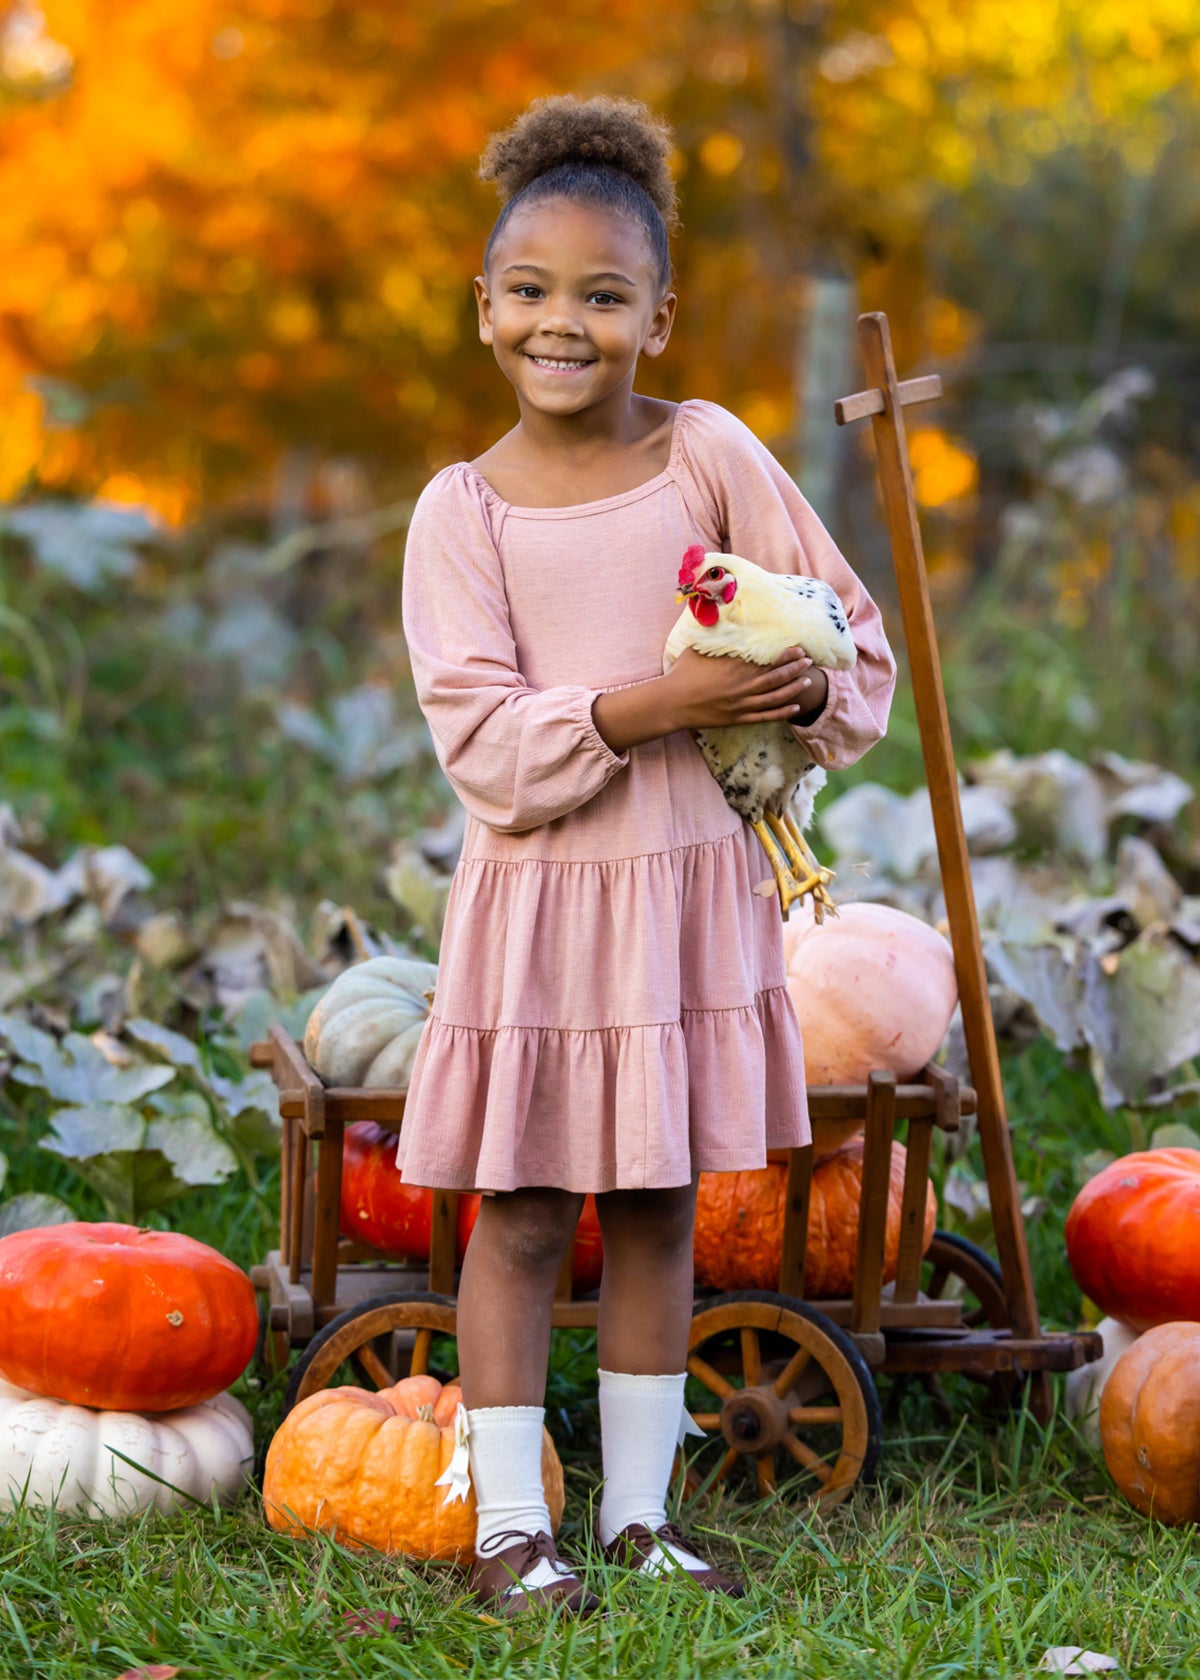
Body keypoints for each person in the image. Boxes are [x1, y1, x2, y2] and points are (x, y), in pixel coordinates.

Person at [399, 93, 895, 1617]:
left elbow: (843, 632)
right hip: (543, 910)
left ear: (657, 318)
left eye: (602, 296)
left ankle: (634, 1516)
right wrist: (660, 701)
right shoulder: (460, 511)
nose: (565, 322)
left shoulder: (711, 456)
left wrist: (798, 684)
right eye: (532, 292)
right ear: (484, 310)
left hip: (687, 885)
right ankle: (506, 1532)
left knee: (662, 1203)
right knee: (531, 1207)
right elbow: (487, 745)